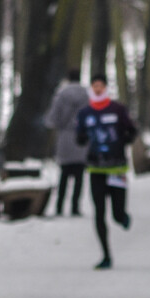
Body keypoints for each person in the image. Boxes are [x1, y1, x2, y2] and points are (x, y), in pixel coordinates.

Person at [75, 73, 137, 269]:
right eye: (94, 86)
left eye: (101, 86)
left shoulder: (118, 109)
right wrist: (83, 139)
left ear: (106, 88)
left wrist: (122, 142)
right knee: (99, 213)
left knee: (117, 213)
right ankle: (106, 255)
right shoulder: (85, 113)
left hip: (117, 167)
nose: (98, 89)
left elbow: (132, 131)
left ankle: (123, 217)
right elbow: (80, 137)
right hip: (96, 169)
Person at [44, 68, 89, 216]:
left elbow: (53, 118)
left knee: (64, 174)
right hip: (81, 138)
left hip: (65, 137)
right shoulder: (86, 94)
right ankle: (75, 207)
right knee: (79, 175)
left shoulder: (62, 94)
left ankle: (59, 206)